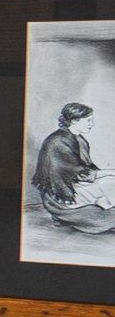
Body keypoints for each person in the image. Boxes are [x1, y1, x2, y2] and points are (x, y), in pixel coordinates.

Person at [34, 101, 115, 235]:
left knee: (109, 185)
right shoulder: (57, 142)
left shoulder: (79, 139)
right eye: (88, 120)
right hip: (61, 196)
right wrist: (110, 173)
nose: (92, 124)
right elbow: (78, 173)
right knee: (104, 212)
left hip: (77, 185)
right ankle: (64, 216)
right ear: (74, 120)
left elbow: (86, 169)